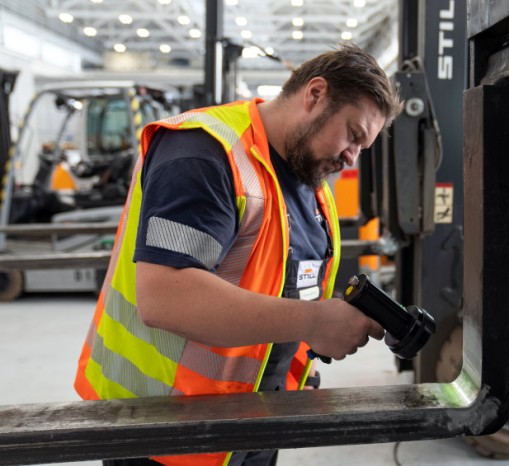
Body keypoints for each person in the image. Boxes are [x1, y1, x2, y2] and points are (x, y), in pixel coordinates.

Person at [74, 42, 403, 466]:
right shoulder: (202, 152)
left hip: (248, 424)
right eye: (353, 135)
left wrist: (294, 369)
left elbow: (284, 285)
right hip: (164, 434)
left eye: (363, 147)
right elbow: (165, 297)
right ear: (315, 95)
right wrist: (317, 321)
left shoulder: (307, 178)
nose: (351, 157)